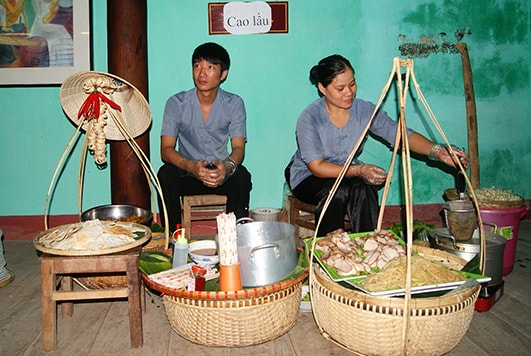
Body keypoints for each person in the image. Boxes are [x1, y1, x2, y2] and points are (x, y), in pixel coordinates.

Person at [285, 54, 468, 236]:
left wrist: (437, 151)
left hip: (346, 172)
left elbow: (399, 134)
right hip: (308, 176)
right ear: (322, 88)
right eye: (340, 88)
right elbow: (317, 167)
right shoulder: (310, 118)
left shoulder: (364, 111)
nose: (349, 92)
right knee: (338, 191)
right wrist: (359, 170)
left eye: (352, 84)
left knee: (365, 188)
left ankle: (367, 244)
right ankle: (329, 252)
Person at [157, 42, 252, 233]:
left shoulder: (234, 103)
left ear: (223, 74)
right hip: (188, 171)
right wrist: (190, 167)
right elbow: (166, 150)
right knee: (165, 174)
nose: (202, 73)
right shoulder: (177, 103)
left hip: (219, 171)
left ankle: (234, 237)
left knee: (242, 176)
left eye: (210, 67)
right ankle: (173, 236)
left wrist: (225, 168)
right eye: (197, 65)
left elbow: (239, 148)